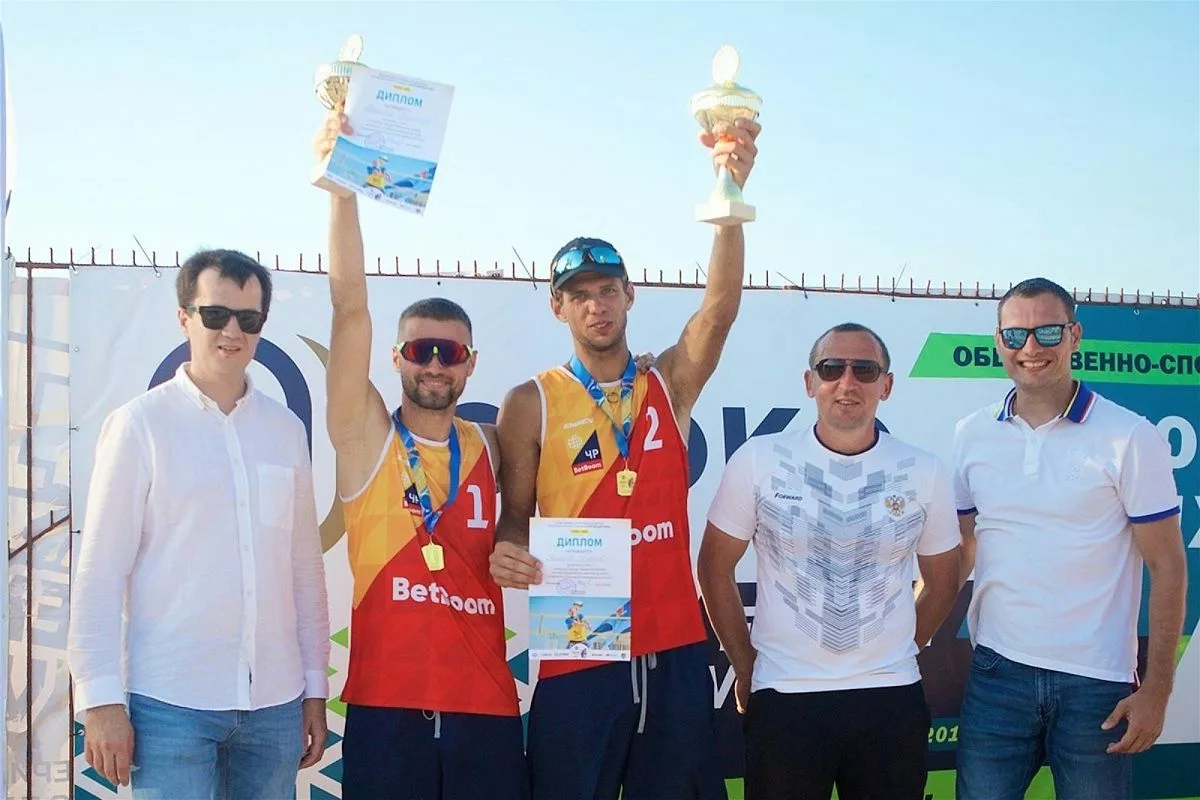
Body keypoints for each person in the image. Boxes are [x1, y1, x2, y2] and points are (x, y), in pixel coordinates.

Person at [489, 117, 762, 800]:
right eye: (580, 295)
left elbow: (719, 311)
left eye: (608, 289)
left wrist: (729, 202)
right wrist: (509, 549)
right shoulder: (530, 401)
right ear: (558, 307)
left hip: (672, 643)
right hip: (581, 642)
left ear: (630, 295)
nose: (597, 306)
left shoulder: (667, 382)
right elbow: (514, 518)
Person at [314, 112, 527, 800]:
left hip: (486, 706)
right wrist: (343, 196)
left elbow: (547, 518)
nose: (435, 364)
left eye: (450, 352)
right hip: (387, 707)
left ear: (470, 364)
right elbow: (350, 310)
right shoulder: (365, 436)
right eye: (420, 350)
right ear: (397, 358)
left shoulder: (492, 444)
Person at [67, 249, 331, 798]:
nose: (232, 331)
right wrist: (100, 700)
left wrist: (313, 688)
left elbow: (304, 570)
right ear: (184, 318)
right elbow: (100, 572)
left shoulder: (286, 431)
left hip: (275, 704)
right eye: (216, 314)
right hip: (170, 705)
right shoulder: (139, 426)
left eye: (248, 319)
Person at [698, 322, 961, 800]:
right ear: (809, 382)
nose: (847, 382)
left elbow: (944, 579)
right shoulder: (759, 459)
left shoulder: (925, 471)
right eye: (831, 368)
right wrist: (746, 665)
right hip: (784, 698)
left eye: (865, 370)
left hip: (890, 697)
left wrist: (904, 643)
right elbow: (714, 567)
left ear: (886, 385)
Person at [952, 278, 1187, 800]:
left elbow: (1168, 566)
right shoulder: (971, 434)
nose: (1031, 348)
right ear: (998, 342)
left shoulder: (1130, 436)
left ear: (1075, 335)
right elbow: (963, 549)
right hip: (996, 674)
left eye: (1048, 332)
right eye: (1016, 335)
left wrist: (1156, 691)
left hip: (1096, 684)